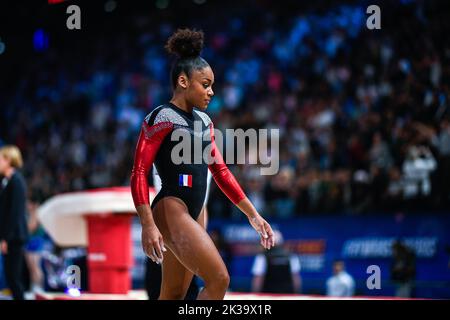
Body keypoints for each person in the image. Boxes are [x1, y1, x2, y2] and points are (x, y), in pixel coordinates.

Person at [130, 28, 275, 300]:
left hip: (196, 210)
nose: (211, 92)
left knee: (174, 293)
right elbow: (139, 171)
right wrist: (147, 224)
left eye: (212, 85)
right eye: (205, 84)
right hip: (172, 207)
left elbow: (220, 171)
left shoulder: (205, 122)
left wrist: (253, 215)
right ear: (183, 81)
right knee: (219, 279)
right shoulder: (161, 117)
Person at [144, 166, 212, 300]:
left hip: (185, 221)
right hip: (167, 221)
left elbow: (201, 203)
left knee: (216, 280)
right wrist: (149, 225)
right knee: (161, 286)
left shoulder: (205, 156)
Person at [0, 145, 30, 300]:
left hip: (14, 236)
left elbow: (15, 213)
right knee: (11, 277)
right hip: (9, 236)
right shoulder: (6, 181)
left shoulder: (16, 181)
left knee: (14, 277)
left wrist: (5, 238)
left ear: (9, 160)